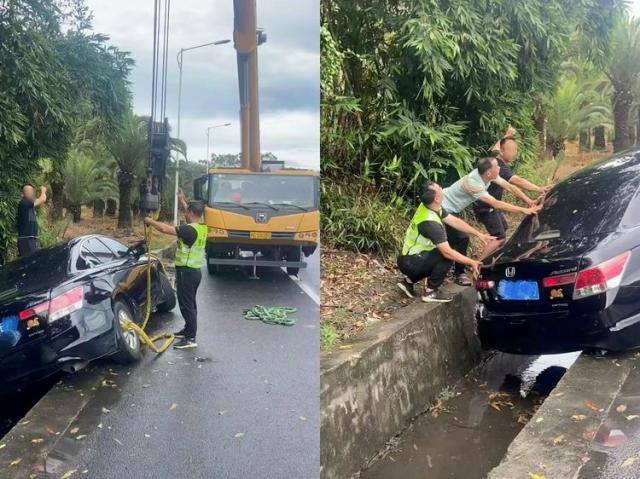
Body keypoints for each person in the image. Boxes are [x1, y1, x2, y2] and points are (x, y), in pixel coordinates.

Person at [442, 157, 541, 286]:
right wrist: (524, 210)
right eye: (497, 167)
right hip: (443, 207)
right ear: (489, 172)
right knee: (462, 238)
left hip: (452, 209)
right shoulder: (474, 183)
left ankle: (464, 263)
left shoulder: (489, 175)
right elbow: (495, 203)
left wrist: (529, 202)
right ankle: (460, 273)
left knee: (458, 239)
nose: (499, 168)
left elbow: (509, 187)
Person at [397, 181, 495, 303]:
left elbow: (454, 221)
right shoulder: (430, 223)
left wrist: (478, 234)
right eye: (439, 188)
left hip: (412, 256)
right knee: (448, 255)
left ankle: (409, 282)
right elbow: (447, 253)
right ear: (437, 198)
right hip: (410, 262)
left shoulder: (430, 206)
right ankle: (431, 291)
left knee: (460, 238)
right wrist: (472, 262)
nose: (442, 188)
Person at [473, 125, 549, 258]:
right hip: (486, 207)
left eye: (516, 149)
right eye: (512, 150)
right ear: (503, 152)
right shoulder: (500, 167)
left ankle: (494, 256)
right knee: (500, 237)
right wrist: (538, 189)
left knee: (504, 227)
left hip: (491, 206)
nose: (515, 153)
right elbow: (517, 182)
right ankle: (478, 264)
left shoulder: (495, 158)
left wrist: (507, 134)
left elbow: (496, 148)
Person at [144, 194, 207, 349]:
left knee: (187, 305)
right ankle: (188, 330)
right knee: (190, 303)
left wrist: (149, 221)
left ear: (192, 213)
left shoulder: (188, 230)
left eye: (186, 212)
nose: (184, 214)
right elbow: (189, 210)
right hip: (194, 272)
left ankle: (191, 338)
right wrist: (181, 200)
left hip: (186, 272)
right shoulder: (201, 227)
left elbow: (165, 229)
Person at [16, 184, 47, 257]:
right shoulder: (24, 203)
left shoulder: (29, 205)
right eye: (28, 191)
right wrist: (43, 190)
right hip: (26, 240)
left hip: (30, 239)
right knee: (29, 263)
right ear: (22, 194)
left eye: (32, 191)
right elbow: (42, 199)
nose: (31, 193)